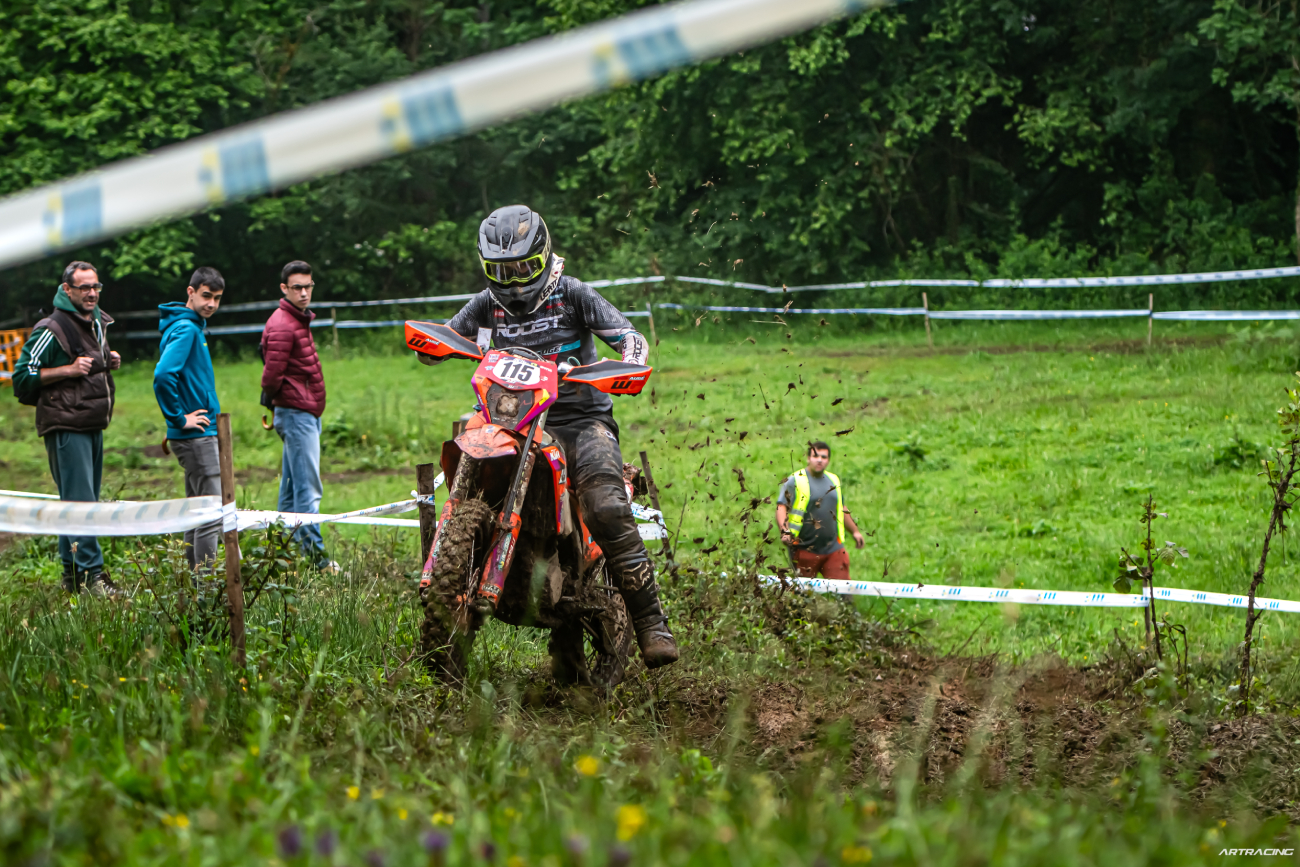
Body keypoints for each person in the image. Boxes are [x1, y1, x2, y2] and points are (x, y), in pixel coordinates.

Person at [415, 204, 678, 668]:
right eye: (502, 271)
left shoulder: (573, 294)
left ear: (544, 257)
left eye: (524, 269)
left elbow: (632, 340)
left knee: (605, 504)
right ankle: (446, 584)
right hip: (508, 418)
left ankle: (652, 622)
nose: (514, 282)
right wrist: (435, 346)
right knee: (466, 456)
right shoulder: (486, 304)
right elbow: (448, 339)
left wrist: (615, 365)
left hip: (579, 420)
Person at [11, 261, 121, 594]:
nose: (91, 293)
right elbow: (20, 377)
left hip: (92, 421)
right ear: (67, 289)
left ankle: (72, 577)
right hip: (64, 424)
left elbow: (90, 365)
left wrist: (108, 359)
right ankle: (93, 577)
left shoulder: (97, 321)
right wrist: (67, 370)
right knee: (80, 504)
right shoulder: (51, 328)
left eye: (96, 287)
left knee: (73, 502)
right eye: (84, 287)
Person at [260, 260, 337, 571]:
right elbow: (270, 377)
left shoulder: (296, 320)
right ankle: (319, 561)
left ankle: (277, 556)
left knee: (291, 491)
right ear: (284, 289)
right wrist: (281, 404)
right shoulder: (282, 325)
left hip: (301, 413)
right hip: (296, 415)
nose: (304, 293)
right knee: (308, 491)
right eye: (297, 288)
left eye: (308, 286)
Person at [153, 267, 226, 575]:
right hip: (196, 435)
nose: (211, 303)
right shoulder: (186, 329)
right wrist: (179, 418)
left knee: (197, 510)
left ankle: (194, 584)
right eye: (206, 296)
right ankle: (206, 590)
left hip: (198, 433)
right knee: (211, 513)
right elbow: (162, 375)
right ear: (191, 292)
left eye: (217, 298)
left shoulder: (191, 326)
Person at [775, 442, 867, 581]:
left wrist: (855, 531)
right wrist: (784, 530)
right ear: (808, 458)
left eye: (823, 457)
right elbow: (781, 507)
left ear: (828, 460)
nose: (819, 460)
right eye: (815, 456)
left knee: (843, 593)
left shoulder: (833, 480)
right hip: (803, 549)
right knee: (802, 597)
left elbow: (841, 508)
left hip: (833, 549)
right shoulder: (796, 480)